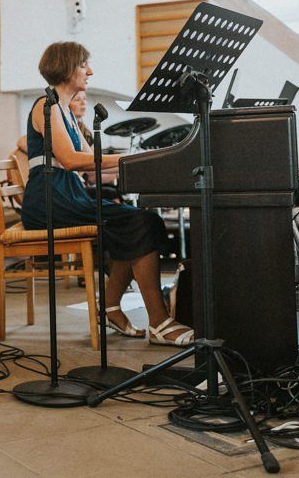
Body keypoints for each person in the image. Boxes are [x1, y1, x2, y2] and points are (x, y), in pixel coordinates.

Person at [20, 42, 194, 347]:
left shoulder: (66, 112)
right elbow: (72, 160)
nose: (89, 71)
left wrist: (148, 162)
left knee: (141, 223)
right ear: (66, 67)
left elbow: (92, 168)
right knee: (141, 222)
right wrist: (137, 158)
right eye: (83, 65)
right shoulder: (46, 106)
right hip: (49, 199)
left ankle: (113, 309)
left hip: (68, 193)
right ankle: (157, 321)